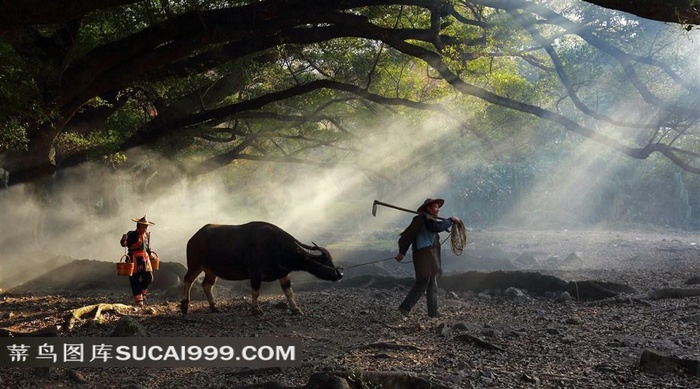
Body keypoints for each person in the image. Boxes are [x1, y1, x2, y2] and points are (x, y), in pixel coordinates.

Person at [395, 198, 461, 318]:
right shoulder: (425, 219)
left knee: (432, 283)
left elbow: (435, 228)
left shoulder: (427, 220)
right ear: (428, 209)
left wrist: (402, 252)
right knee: (423, 282)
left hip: (428, 255)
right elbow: (435, 228)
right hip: (423, 255)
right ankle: (405, 307)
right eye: (435, 207)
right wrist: (451, 220)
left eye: (438, 207)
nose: (438, 210)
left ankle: (433, 312)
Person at [120, 215, 156, 307]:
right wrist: (124, 239)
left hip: (145, 259)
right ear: (139, 226)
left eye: (146, 226)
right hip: (133, 259)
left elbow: (147, 247)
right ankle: (138, 300)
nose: (145, 228)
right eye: (144, 226)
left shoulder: (147, 235)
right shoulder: (131, 235)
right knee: (134, 279)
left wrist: (151, 256)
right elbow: (124, 244)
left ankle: (142, 294)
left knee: (149, 277)